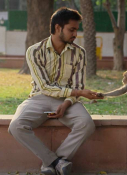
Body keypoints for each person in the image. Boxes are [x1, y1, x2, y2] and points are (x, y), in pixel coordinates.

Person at [8, 7, 103, 175]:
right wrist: (77, 93)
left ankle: (52, 162)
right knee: (16, 126)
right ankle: (57, 161)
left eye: (76, 29)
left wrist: (67, 103)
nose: (75, 34)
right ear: (58, 28)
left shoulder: (79, 53)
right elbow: (44, 86)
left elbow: (78, 84)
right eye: (72, 29)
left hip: (68, 100)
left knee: (86, 124)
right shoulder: (34, 51)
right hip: (39, 97)